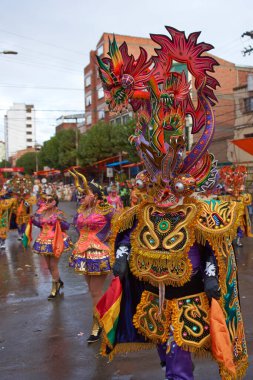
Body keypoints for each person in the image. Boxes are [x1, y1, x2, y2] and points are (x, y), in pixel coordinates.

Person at [95, 26, 248, 379]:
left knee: (178, 364)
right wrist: (120, 260)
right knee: (165, 353)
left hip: (188, 299)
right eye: (157, 182)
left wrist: (210, 278)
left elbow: (209, 249)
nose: (163, 190)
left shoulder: (195, 211)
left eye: (170, 183)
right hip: (152, 299)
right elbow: (124, 237)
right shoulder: (142, 211)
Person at [68, 169, 115, 343]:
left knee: (95, 292)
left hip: (99, 254)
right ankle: (103, 318)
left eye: (86, 193)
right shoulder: (82, 211)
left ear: (95, 195)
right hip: (82, 253)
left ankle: (97, 325)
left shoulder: (107, 211)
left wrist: (111, 239)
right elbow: (76, 226)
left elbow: (122, 224)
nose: (82, 196)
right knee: (92, 292)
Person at [30, 186, 72, 300]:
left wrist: (59, 221)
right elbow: (40, 224)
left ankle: (55, 288)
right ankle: (58, 280)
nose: (47, 202)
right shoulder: (43, 212)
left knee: (53, 265)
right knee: (49, 266)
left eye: (50, 201)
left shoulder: (59, 213)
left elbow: (67, 226)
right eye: (46, 201)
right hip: (43, 240)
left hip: (55, 240)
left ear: (55, 202)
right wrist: (33, 219)